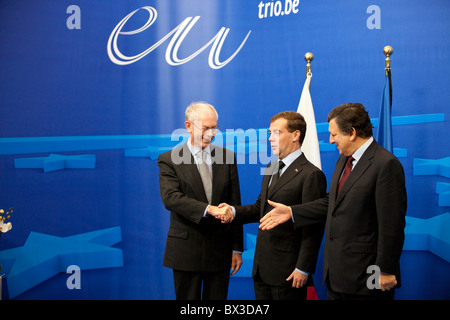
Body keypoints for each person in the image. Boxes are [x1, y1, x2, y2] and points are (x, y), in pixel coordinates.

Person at [259, 103, 407, 300]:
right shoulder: (343, 160)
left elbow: (392, 225)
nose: (330, 140)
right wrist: (292, 212)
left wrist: (386, 270)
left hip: (367, 276)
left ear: (352, 133)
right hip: (337, 275)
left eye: (334, 134)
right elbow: (331, 203)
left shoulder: (386, 164)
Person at [219, 111, 327, 300]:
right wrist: (232, 211)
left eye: (276, 133)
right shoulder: (271, 168)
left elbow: (313, 225)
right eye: (270, 133)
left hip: (289, 272)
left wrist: (303, 267)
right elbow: (260, 208)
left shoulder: (311, 174)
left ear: (295, 135)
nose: (270, 139)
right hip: (262, 269)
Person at [157, 101, 243, 300]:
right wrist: (209, 209)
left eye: (215, 128)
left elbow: (234, 204)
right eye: (206, 128)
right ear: (188, 126)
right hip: (186, 251)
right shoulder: (169, 159)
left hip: (220, 251)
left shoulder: (226, 157)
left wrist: (236, 248)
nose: (211, 133)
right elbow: (171, 198)